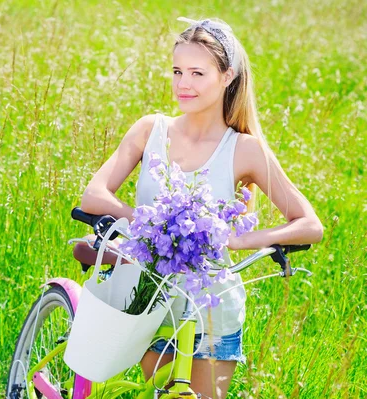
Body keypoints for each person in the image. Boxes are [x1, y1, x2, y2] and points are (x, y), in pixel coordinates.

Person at [74, 17, 323, 398]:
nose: (183, 84)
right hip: (147, 295)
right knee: (155, 392)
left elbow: (309, 224)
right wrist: (159, 225)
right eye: (177, 71)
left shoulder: (244, 149)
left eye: (197, 73)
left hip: (212, 304)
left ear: (227, 76)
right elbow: (95, 194)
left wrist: (239, 241)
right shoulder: (151, 130)